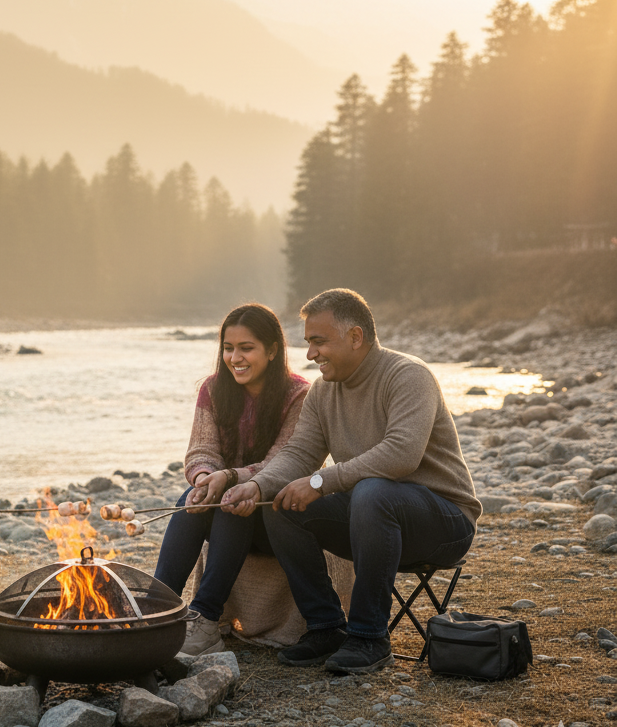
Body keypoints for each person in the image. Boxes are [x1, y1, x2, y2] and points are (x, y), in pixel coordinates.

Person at [223, 288, 480, 674]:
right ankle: (326, 627)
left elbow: (401, 453)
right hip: (373, 517)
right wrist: (260, 485)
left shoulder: (409, 376)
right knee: (283, 505)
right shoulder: (323, 393)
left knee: (372, 491)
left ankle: (369, 637)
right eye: (309, 342)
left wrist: (320, 482)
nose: (310, 354)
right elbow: (297, 455)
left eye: (319, 341)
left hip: (444, 521)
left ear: (356, 337)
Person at [153, 303, 310, 656]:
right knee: (191, 501)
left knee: (232, 502)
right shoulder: (213, 389)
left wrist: (230, 478)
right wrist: (206, 477)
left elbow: (283, 463)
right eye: (228, 347)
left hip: (279, 516)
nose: (234, 357)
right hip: (229, 508)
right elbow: (200, 450)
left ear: (272, 350)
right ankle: (156, 608)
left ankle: (206, 619)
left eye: (246, 348)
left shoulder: (300, 395)